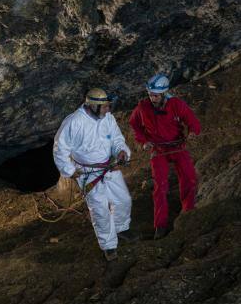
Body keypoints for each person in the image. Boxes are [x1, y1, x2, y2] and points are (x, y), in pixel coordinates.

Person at [53, 88, 133, 261]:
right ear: (93, 106)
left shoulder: (108, 118)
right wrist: (69, 170)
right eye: (104, 107)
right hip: (88, 173)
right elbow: (60, 148)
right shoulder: (74, 122)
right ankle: (109, 246)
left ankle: (120, 229)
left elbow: (117, 139)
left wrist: (121, 152)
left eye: (107, 106)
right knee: (100, 210)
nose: (108, 110)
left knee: (123, 200)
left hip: (110, 166)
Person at [129, 74, 201, 239]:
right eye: (150, 94)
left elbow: (193, 122)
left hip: (177, 146)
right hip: (158, 150)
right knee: (160, 187)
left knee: (189, 178)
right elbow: (134, 125)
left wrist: (192, 133)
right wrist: (143, 141)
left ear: (163, 93)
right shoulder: (143, 107)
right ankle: (160, 226)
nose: (152, 98)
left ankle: (188, 213)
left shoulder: (176, 105)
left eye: (155, 95)